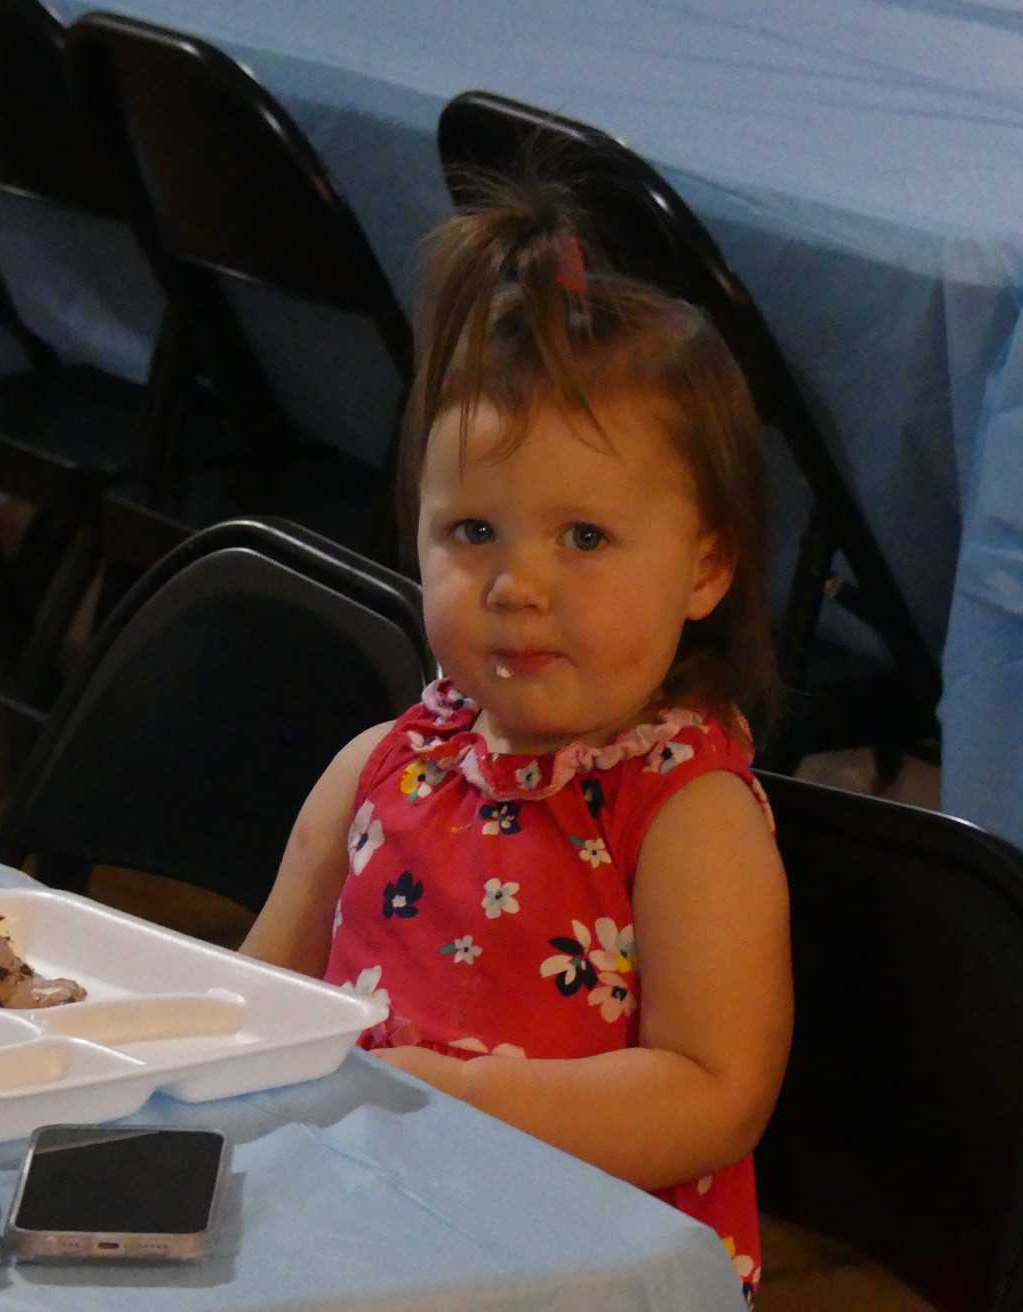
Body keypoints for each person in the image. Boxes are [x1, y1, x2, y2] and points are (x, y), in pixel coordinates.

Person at [241, 171, 792, 1298]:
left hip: (573, 1274)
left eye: (583, 537)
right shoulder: (380, 767)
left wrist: (455, 1105)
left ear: (705, 567)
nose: (516, 584)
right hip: (361, 1243)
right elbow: (256, 1004)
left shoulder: (684, 812)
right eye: (472, 531)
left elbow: (715, 1093)